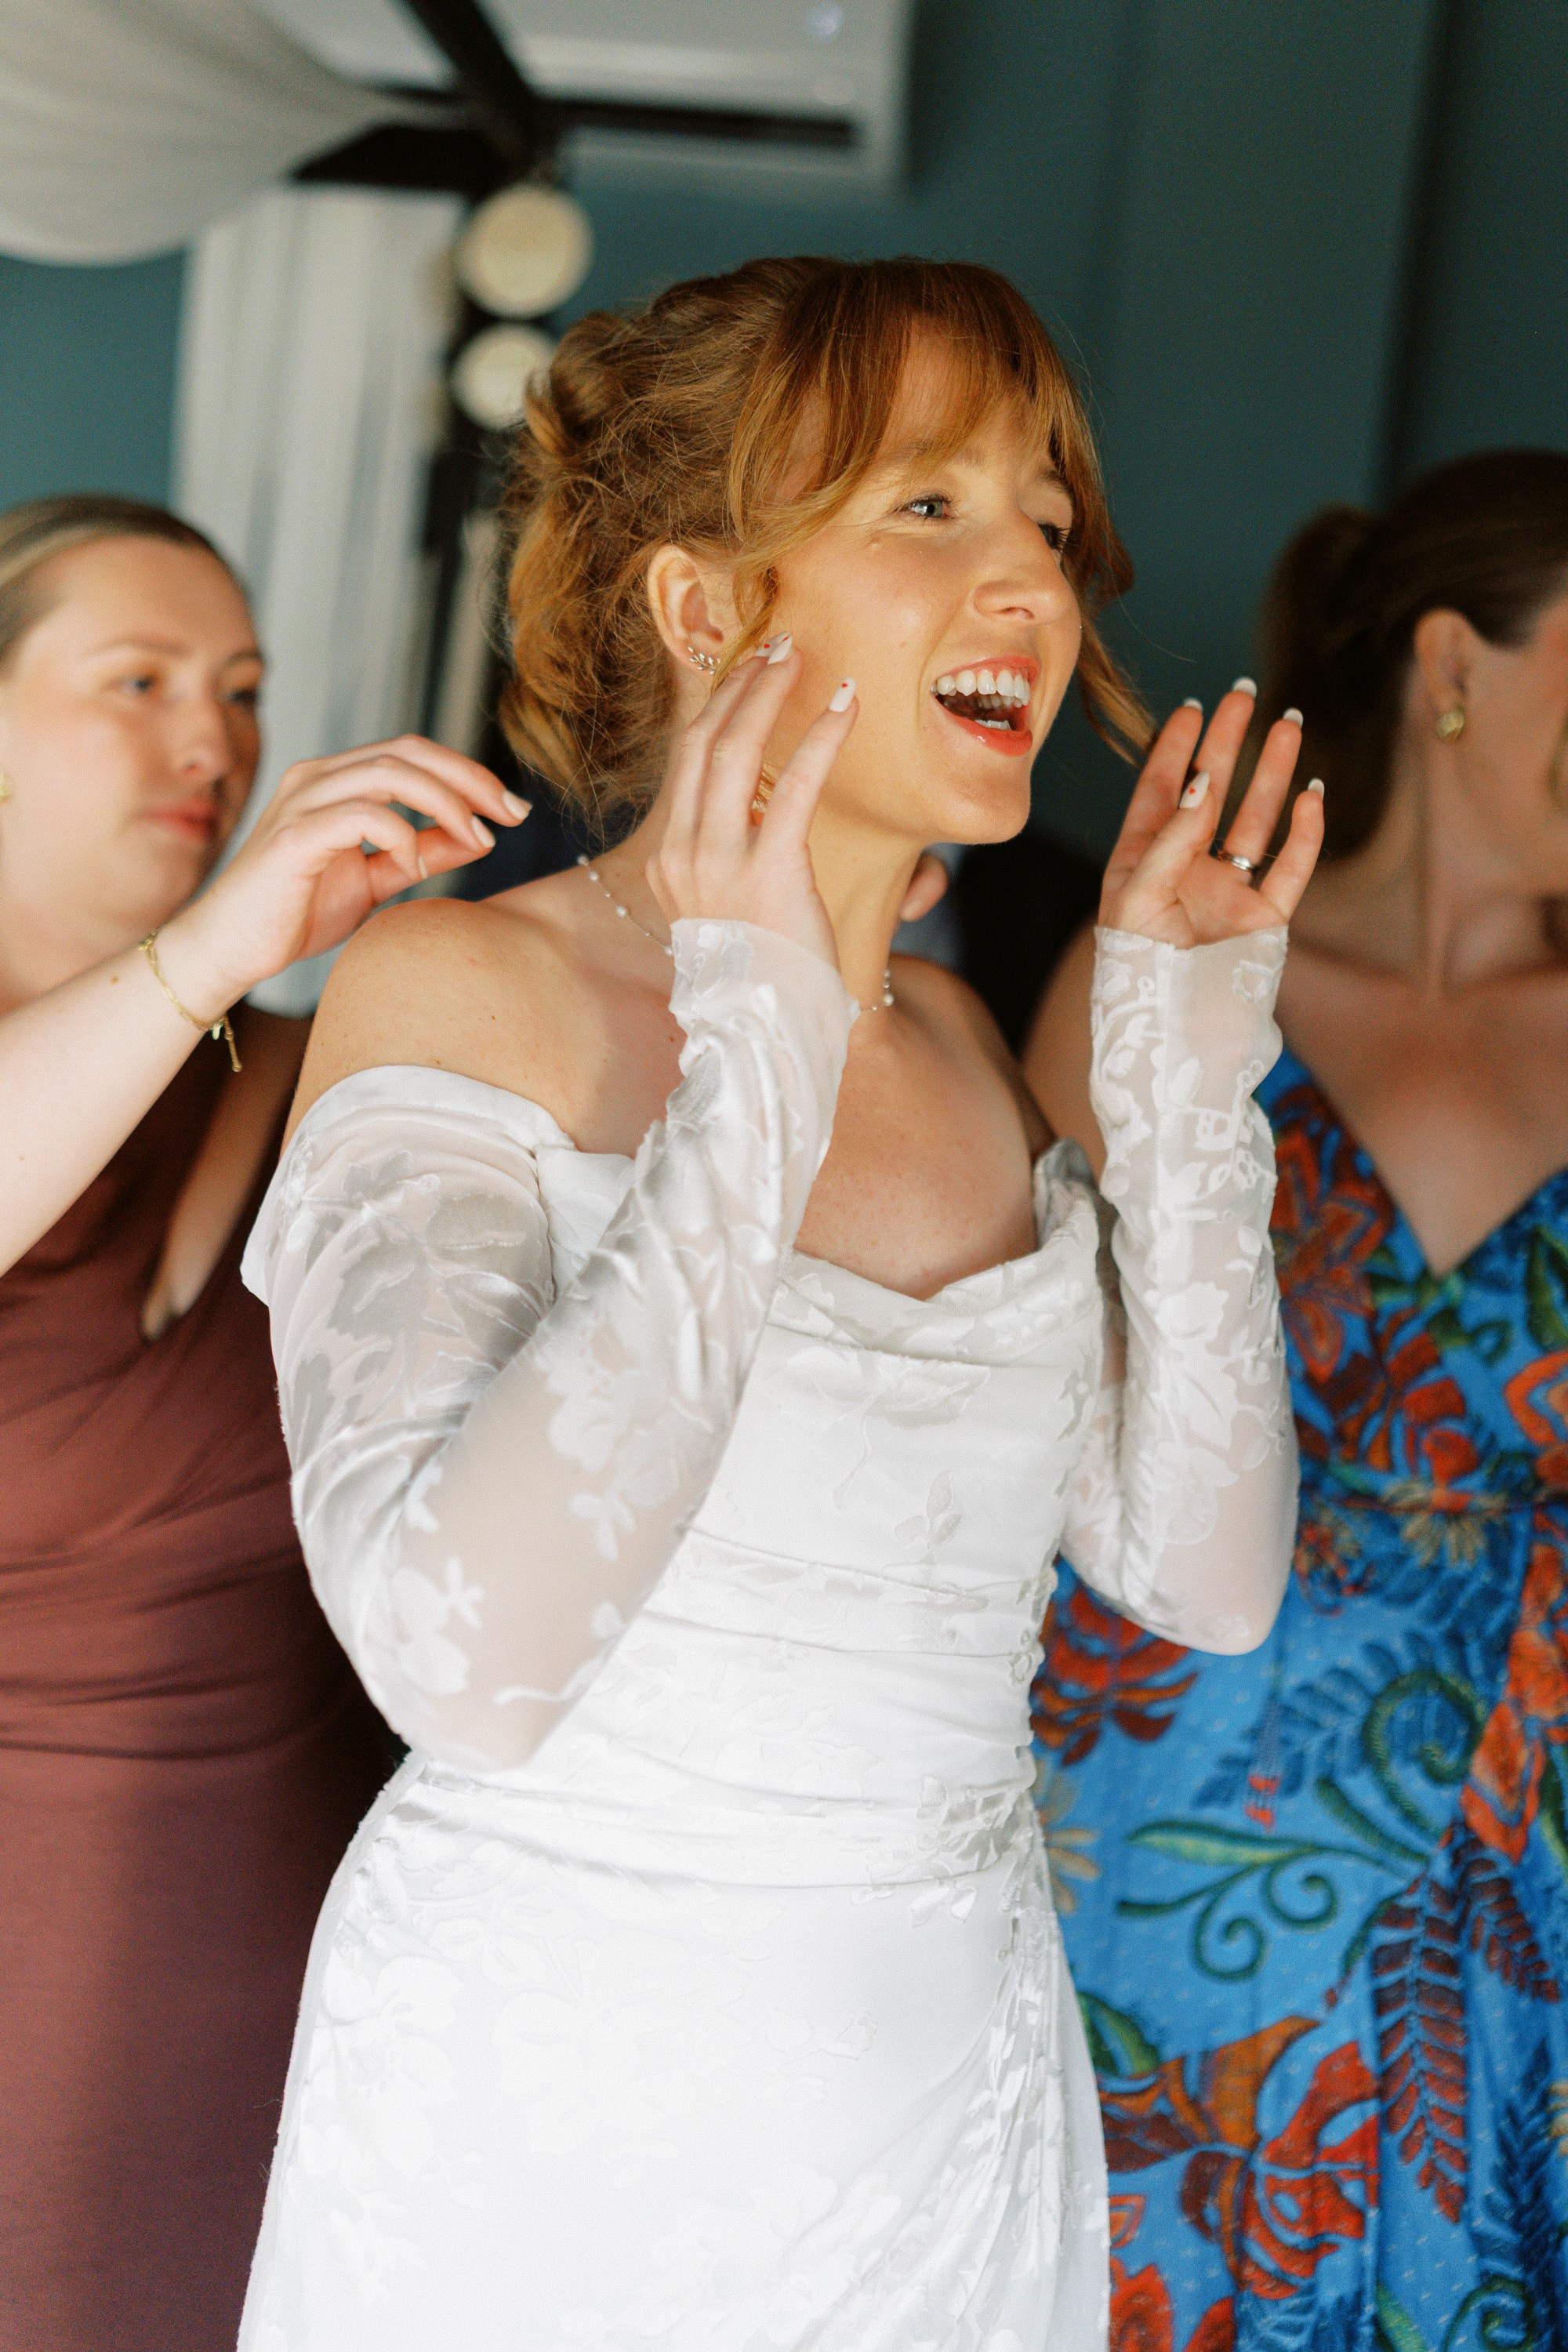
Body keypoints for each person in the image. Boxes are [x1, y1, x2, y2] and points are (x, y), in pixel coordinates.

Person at [236, 256, 1321, 2351]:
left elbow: (1206, 1581)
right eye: (931, 507)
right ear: (707, 605)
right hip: (542, 2141)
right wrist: (753, 1044)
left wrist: (1187, 1106)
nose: (1031, 571)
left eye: (1042, 509)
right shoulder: (468, 997)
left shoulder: (974, 1064)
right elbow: (465, 1669)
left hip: (946, 2124)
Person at [1025, 449, 1568, 2351]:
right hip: (1151, 1803)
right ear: (1453, 661)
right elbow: (1019, 1416)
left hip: (1528, 1874)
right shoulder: (1159, 976)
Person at [0, 492, 529, 2350]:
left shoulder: (335, 1070)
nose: (211, 739)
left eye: (238, 689)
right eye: (135, 680)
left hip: (309, 1990)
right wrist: (226, 943)